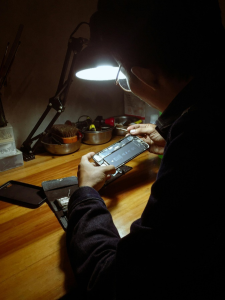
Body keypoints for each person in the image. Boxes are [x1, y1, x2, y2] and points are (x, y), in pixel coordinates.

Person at [66, 0, 225, 299]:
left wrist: (84, 195)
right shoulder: (207, 117)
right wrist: (172, 138)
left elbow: (114, 283)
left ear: (148, 76)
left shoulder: (199, 142)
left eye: (125, 76)